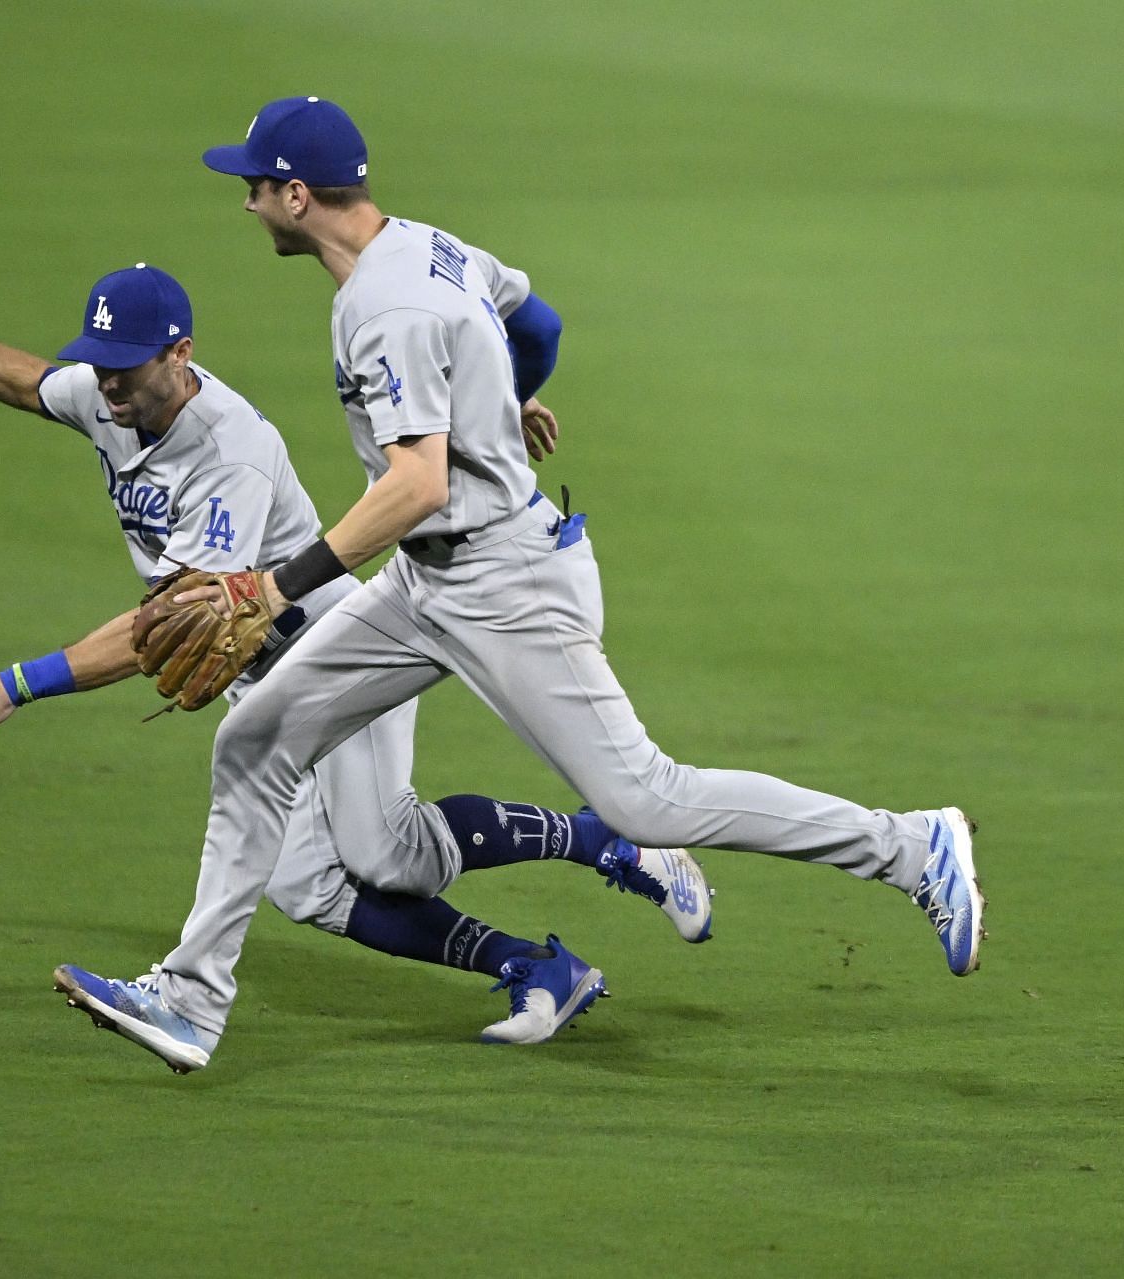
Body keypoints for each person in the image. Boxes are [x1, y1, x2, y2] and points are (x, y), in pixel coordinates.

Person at [55, 95, 985, 1073]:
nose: (245, 202)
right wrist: (504, 400)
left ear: (297, 195)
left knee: (651, 802)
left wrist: (276, 590)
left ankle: (911, 845)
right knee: (257, 736)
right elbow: (534, 322)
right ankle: (193, 1000)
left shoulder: (383, 306)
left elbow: (415, 482)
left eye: (254, 184)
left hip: (505, 583)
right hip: (426, 585)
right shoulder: (428, 247)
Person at [0, 255, 714, 1071]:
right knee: (306, 886)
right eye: (99, 362)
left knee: (388, 853)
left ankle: (605, 837)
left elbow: (169, 629)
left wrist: (8, 689)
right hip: (259, 671)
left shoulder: (227, 453)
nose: (106, 383)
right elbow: (26, 381)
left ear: (180, 355)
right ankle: (536, 964)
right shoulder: (113, 393)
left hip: (338, 654)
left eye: (127, 366)